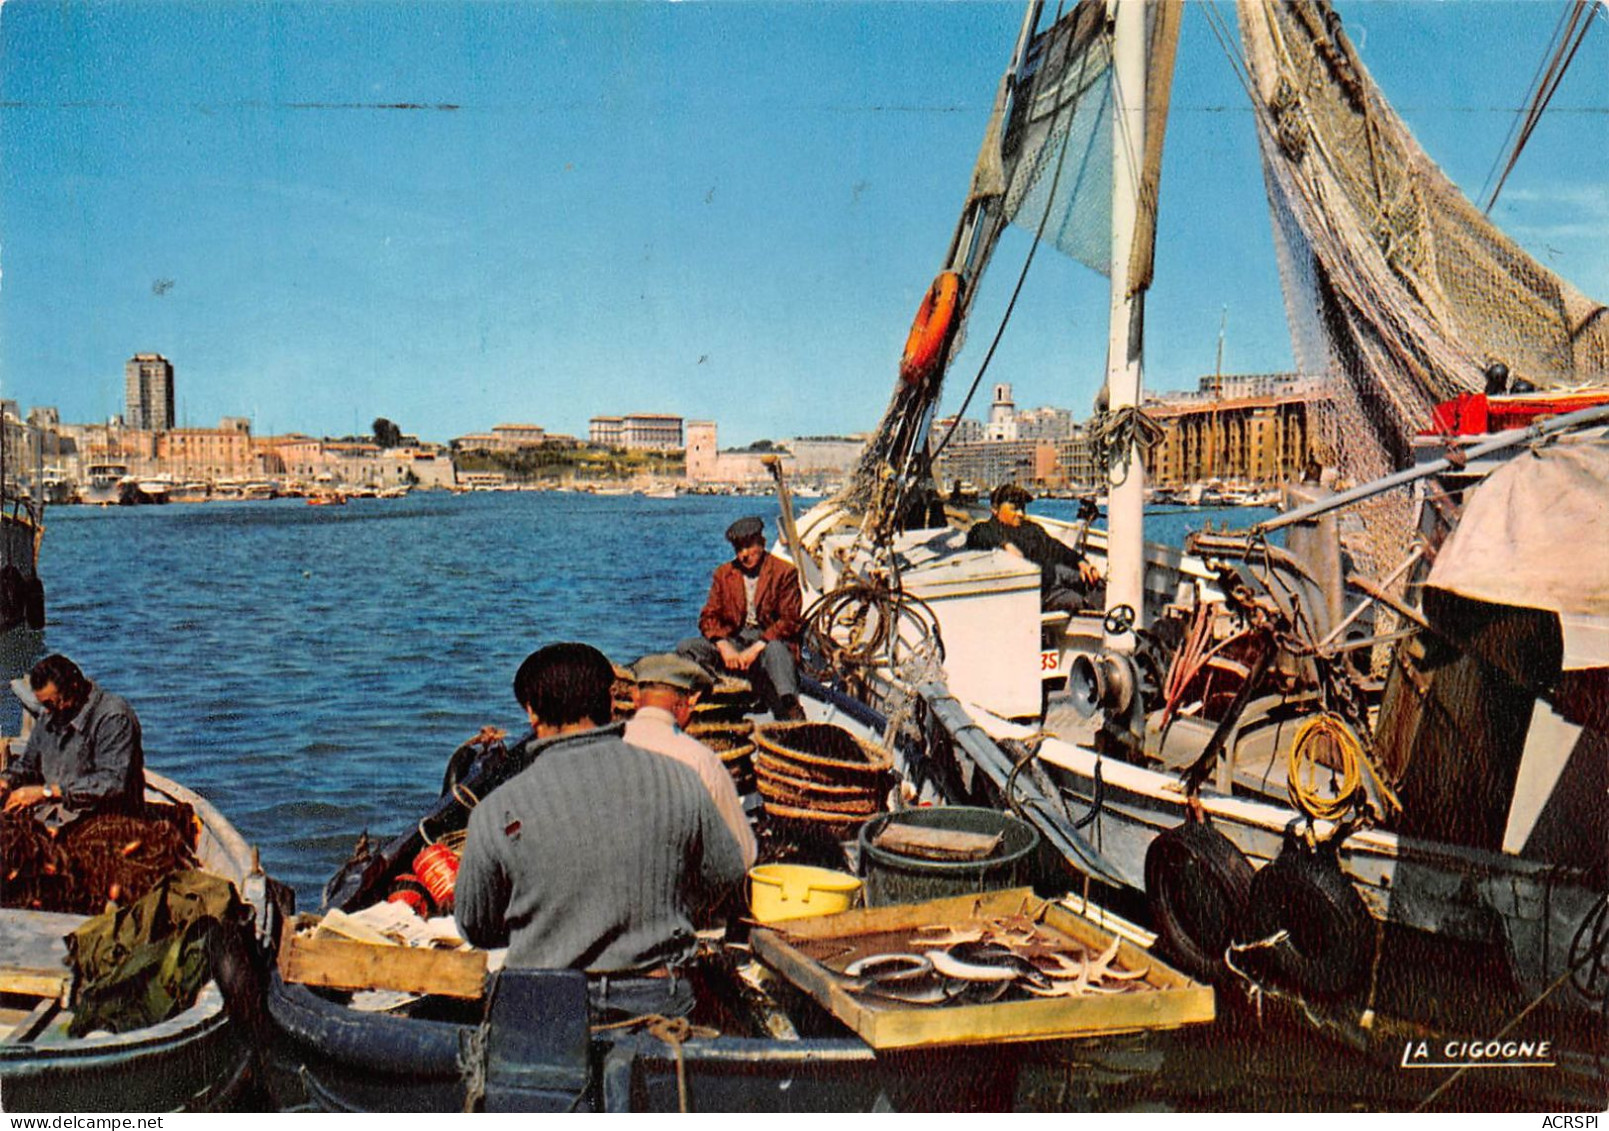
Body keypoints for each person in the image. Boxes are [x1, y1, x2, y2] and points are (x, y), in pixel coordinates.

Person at [454, 642, 746, 1021]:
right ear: (611, 702)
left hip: (544, 1008)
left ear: (531, 712)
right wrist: (668, 906)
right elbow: (727, 871)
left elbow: (476, 926)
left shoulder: (495, 809)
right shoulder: (679, 780)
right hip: (660, 1001)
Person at [624, 653, 757, 869]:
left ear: (635, 696)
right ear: (688, 703)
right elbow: (742, 856)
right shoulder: (701, 761)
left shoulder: (604, 747)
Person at [677, 516, 806, 721]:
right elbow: (708, 617)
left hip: (769, 642)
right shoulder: (724, 574)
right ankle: (716, 689)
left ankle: (789, 705)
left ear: (762, 543)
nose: (744, 554)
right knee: (687, 647)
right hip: (736, 641)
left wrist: (756, 649)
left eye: (748, 547)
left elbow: (790, 620)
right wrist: (722, 645)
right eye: (738, 549)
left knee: (776, 650)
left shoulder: (784, 572)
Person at [0, 655, 144, 823]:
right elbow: (27, 765)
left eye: (52, 703)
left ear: (74, 688)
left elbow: (112, 782)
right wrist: (6, 781)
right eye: (43, 704)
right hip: (55, 815)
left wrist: (48, 792)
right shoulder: (50, 713)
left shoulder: (113, 717)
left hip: (107, 819)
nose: (47, 712)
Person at [966, 483, 1103, 612]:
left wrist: (1081, 562)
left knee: (1096, 582)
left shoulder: (1031, 529)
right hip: (1036, 594)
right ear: (995, 509)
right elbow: (978, 535)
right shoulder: (985, 529)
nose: (1020, 514)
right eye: (1014, 509)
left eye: (1022, 508)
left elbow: (1056, 547)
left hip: (1053, 576)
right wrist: (1005, 544)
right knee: (1076, 600)